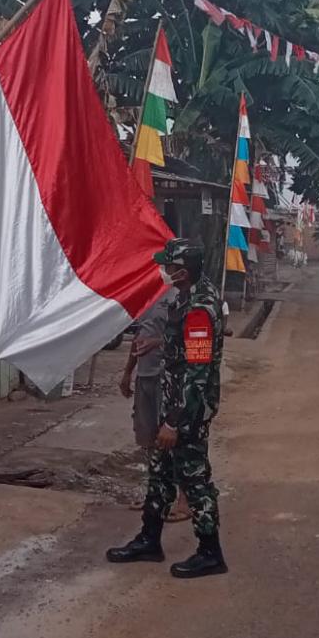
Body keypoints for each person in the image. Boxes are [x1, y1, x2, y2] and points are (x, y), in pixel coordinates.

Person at [107, 239, 227, 579]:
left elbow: (198, 371)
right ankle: (149, 540)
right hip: (172, 401)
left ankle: (210, 552)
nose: (165, 271)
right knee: (159, 474)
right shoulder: (186, 298)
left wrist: (174, 423)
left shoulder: (200, 308)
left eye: (170, 267)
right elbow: (182, 345)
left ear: (183, 271)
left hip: (188, 410)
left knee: (194, 480)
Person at [119, 290, 189, 521]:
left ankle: (184, 500)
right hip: (145, 376)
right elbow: (139, 336)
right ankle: (156, 493)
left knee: (171, 438)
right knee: (147, 437)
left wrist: (157, 342)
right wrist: (128, 371)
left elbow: (186, 338)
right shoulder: (146, 296)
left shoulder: (179, 297)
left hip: (166, 376)